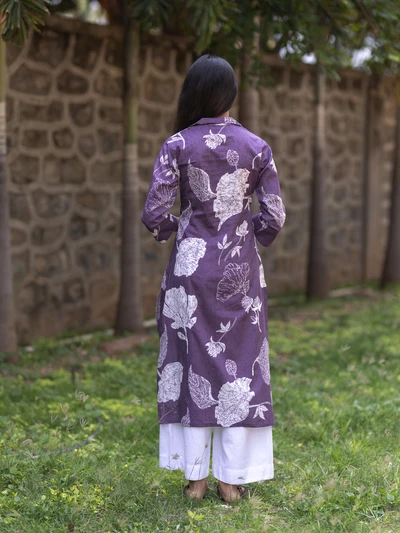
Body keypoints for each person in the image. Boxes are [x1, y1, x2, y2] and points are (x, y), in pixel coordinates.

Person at [141, 54, 285, 502]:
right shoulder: (257, 147)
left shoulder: (177, 145)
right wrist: (247, 232)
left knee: (190, 365)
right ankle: (231, 482)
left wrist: (180, 227)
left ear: (193, 93)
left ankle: (195, 481)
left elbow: (154, 214)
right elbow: (275, 216)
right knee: (241, 367)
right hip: (241, 274)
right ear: (231, 95)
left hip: (189, 271)